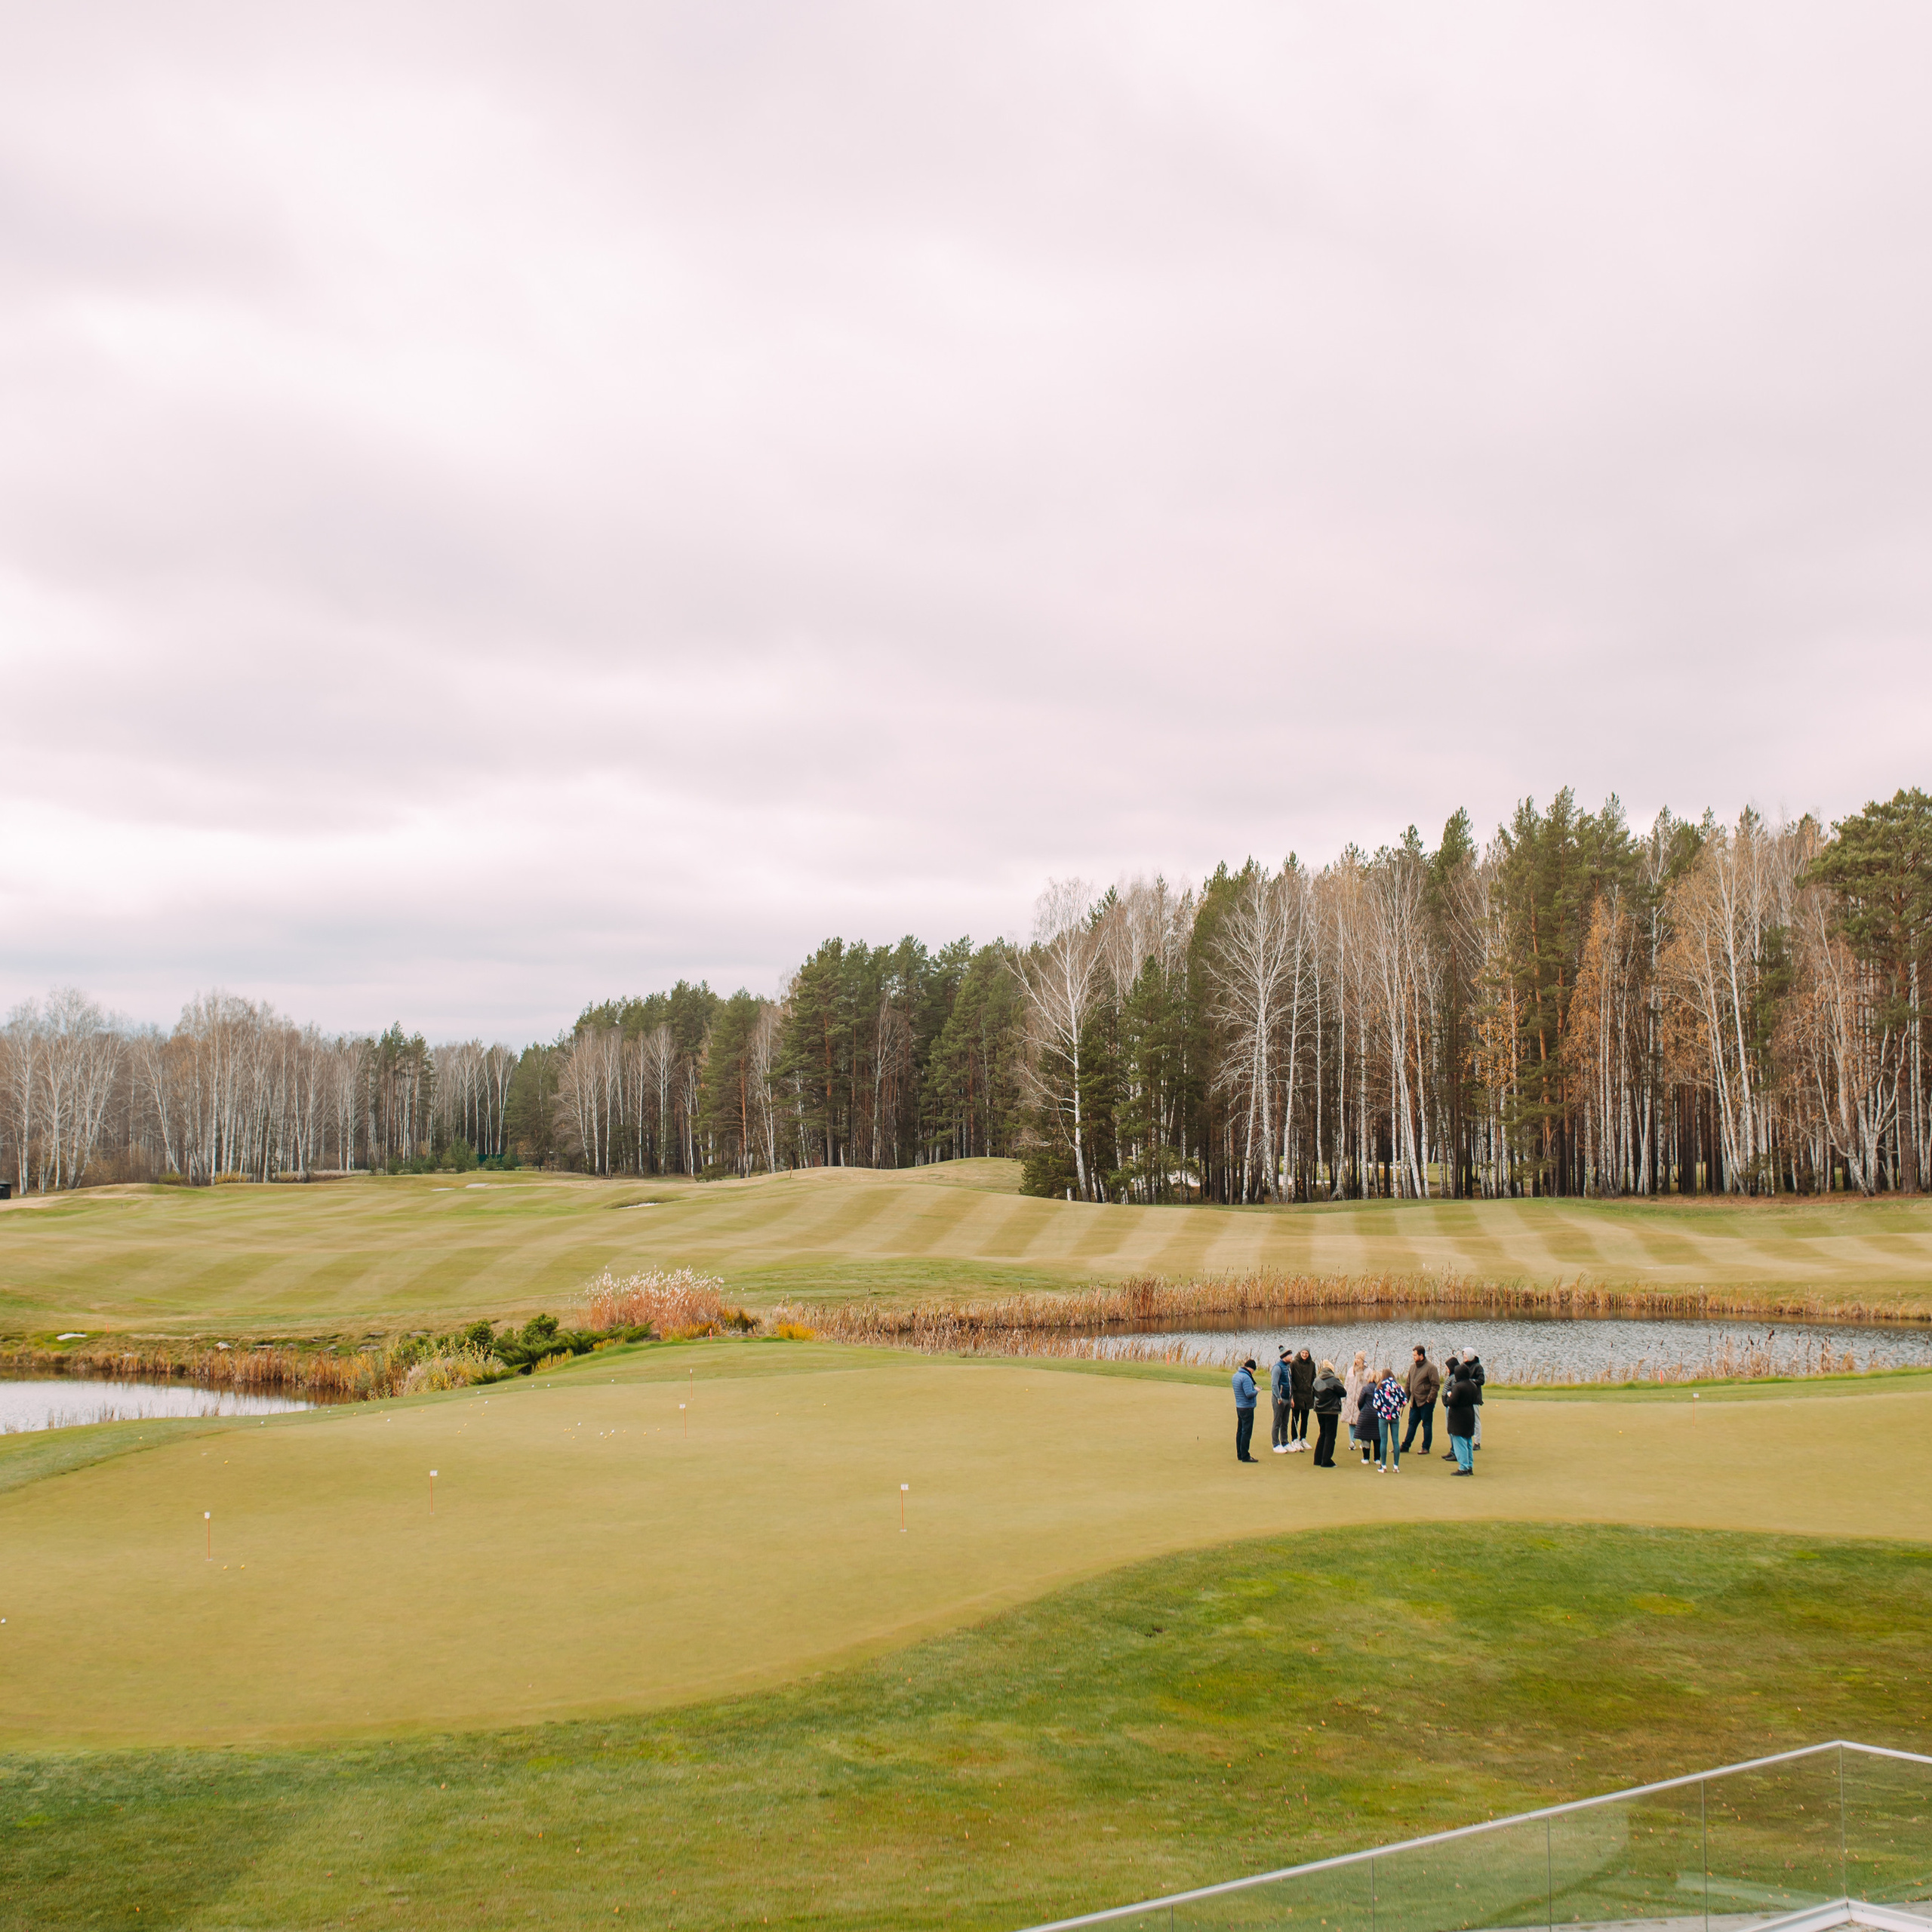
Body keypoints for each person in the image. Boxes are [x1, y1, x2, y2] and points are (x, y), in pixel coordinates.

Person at [1402, 1345, 1440, 1457]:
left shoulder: (1431, 1368)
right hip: (1415, 1401)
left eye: (1415, 1355)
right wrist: (1405, 1398)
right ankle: (1406, 1446)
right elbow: (1408, 1384)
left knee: (1427, 1425)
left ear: (1421, 1355)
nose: (1413, 1357)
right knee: (1412, 1424)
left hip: (1426, 1402)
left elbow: (1436, 1385)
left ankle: (1425, 1447)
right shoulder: (1412, 1367)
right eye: (1413, 1355)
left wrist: (1430, 1399)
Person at [1371, 1367, 1408, 1472]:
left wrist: (1382, 1409)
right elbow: (1405, 1401)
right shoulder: (1398, 1386)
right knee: (1395, 1441)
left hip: (1383, 1416)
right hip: (1395, 1416)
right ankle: (1396, 1466)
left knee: (1384, 1441)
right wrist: (1398, 1405)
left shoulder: (1379, 1387)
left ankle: (1384, 1466)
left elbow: (1376, 1404)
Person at [1444, 1355, 1477, 1473]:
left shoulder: (1458, 1387)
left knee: (1460, 1443)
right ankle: (1469, 1466)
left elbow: (1452, 1402)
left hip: (1458, 1417)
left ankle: (1463, 1467)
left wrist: (1449, 1397)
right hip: (1469, 1415)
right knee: (1468, 1441)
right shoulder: (1473, 1385)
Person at [1310, 1358, 1345, 1466]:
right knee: (1330, 1436)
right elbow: (1343, 1392)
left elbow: (1313, 1394)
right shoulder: (1334, 1380)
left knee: (1323, 1434)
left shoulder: (1317, 1380)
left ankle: (1317, 1459)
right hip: (1331, 1411)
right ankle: (1326, 1461)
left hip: (1320, 1410)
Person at [1232, 1358, 1260, 1462]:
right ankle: (1245, 1456)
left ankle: (1240, 1454)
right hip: (1247, 1408)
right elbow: (1249, 1394)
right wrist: (1256, 1390)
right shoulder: (1246, 1378)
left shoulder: (1236, 1376)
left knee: (1240, 1431)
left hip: (1239, 1407)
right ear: (1251, 1369)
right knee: (1246, 1432)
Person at [1288, 1346, 1316, 1451]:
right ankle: (1294, 1439)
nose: (1304, 1355)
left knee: (1305, 1419)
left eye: (1306, 1353)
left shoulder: (1312, 1364)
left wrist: (1312, 1390)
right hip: (1297, 1395)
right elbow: (1290, 1379)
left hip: (1308, 1395)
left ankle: (1303, 1438)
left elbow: (1314, 1378)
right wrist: (1294, 1391)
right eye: (1303, 1353)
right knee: (1295, 1418)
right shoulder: (1294, 1363)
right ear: (1300, 1353)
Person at [1269, 1348, 1294, 1453]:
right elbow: (1274, 1385)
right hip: (1279, 1399)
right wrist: (1279, 1397)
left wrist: (1291, 1398)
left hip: (1288, 1398)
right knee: (1277, 1422)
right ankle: (1276, 1444)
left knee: (1285, 1422)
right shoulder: (1277, 1368)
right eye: (1290, 1355)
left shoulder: (1288, 1367)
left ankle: (1285, 1442)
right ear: (1285, 1356)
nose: (1292, 1357)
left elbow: (1290, 1383)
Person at [1344, 1350, 1368, 1451]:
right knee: (1351, 1421)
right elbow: (1346, 1384)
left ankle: (1363, 1441)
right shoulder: (1351, 1370)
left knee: (1361, 1421)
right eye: (1356, 1358)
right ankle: (1352, 1441)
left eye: (1359, 1359)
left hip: (1361, 1400)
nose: (1357, 1360)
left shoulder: (1368, 1371)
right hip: (1351, 1399)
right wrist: (1344, 1398)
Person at [1463, 1348, 1486, 1451]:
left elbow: (1481, 1380)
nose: (1464, 1357)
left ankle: (1477, 1442)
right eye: (1464, 1356)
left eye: (1466, 1355)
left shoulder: (1478, 1367)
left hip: (1474, 1397)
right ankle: (1466, 1440)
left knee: (1476, 1420)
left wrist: (1470, 1381)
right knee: (1466, 1420)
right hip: (1465, 1397)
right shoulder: (1463, 1366)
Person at [1353, 1374, 1379, 1466]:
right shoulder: (1380, 1389)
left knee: (1365, 1438)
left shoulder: (1365, 1388)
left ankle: (1366, 1458)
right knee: (1377, 1438)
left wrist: (1363, 1410)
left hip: (1366, 1415)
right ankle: (1377, 1459)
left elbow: (1360, 1402)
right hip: (1377, 1415)